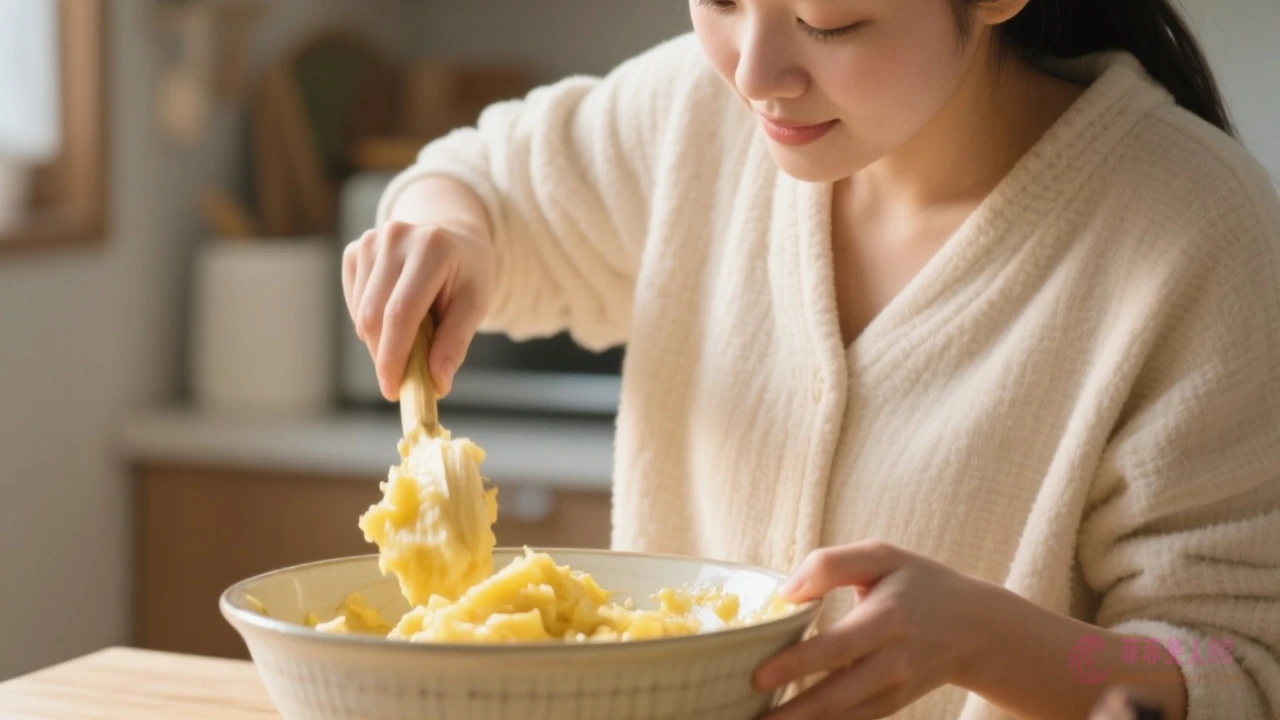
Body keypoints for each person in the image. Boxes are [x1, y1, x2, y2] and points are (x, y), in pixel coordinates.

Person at [341, 0, 1280, 718]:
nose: (756, 72)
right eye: (720, 0)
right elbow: (481, 181)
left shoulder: (1196, 235)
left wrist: (989, 641)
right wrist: (444, 234)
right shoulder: (693, 117)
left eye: (830, 23)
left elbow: (1225, 671)